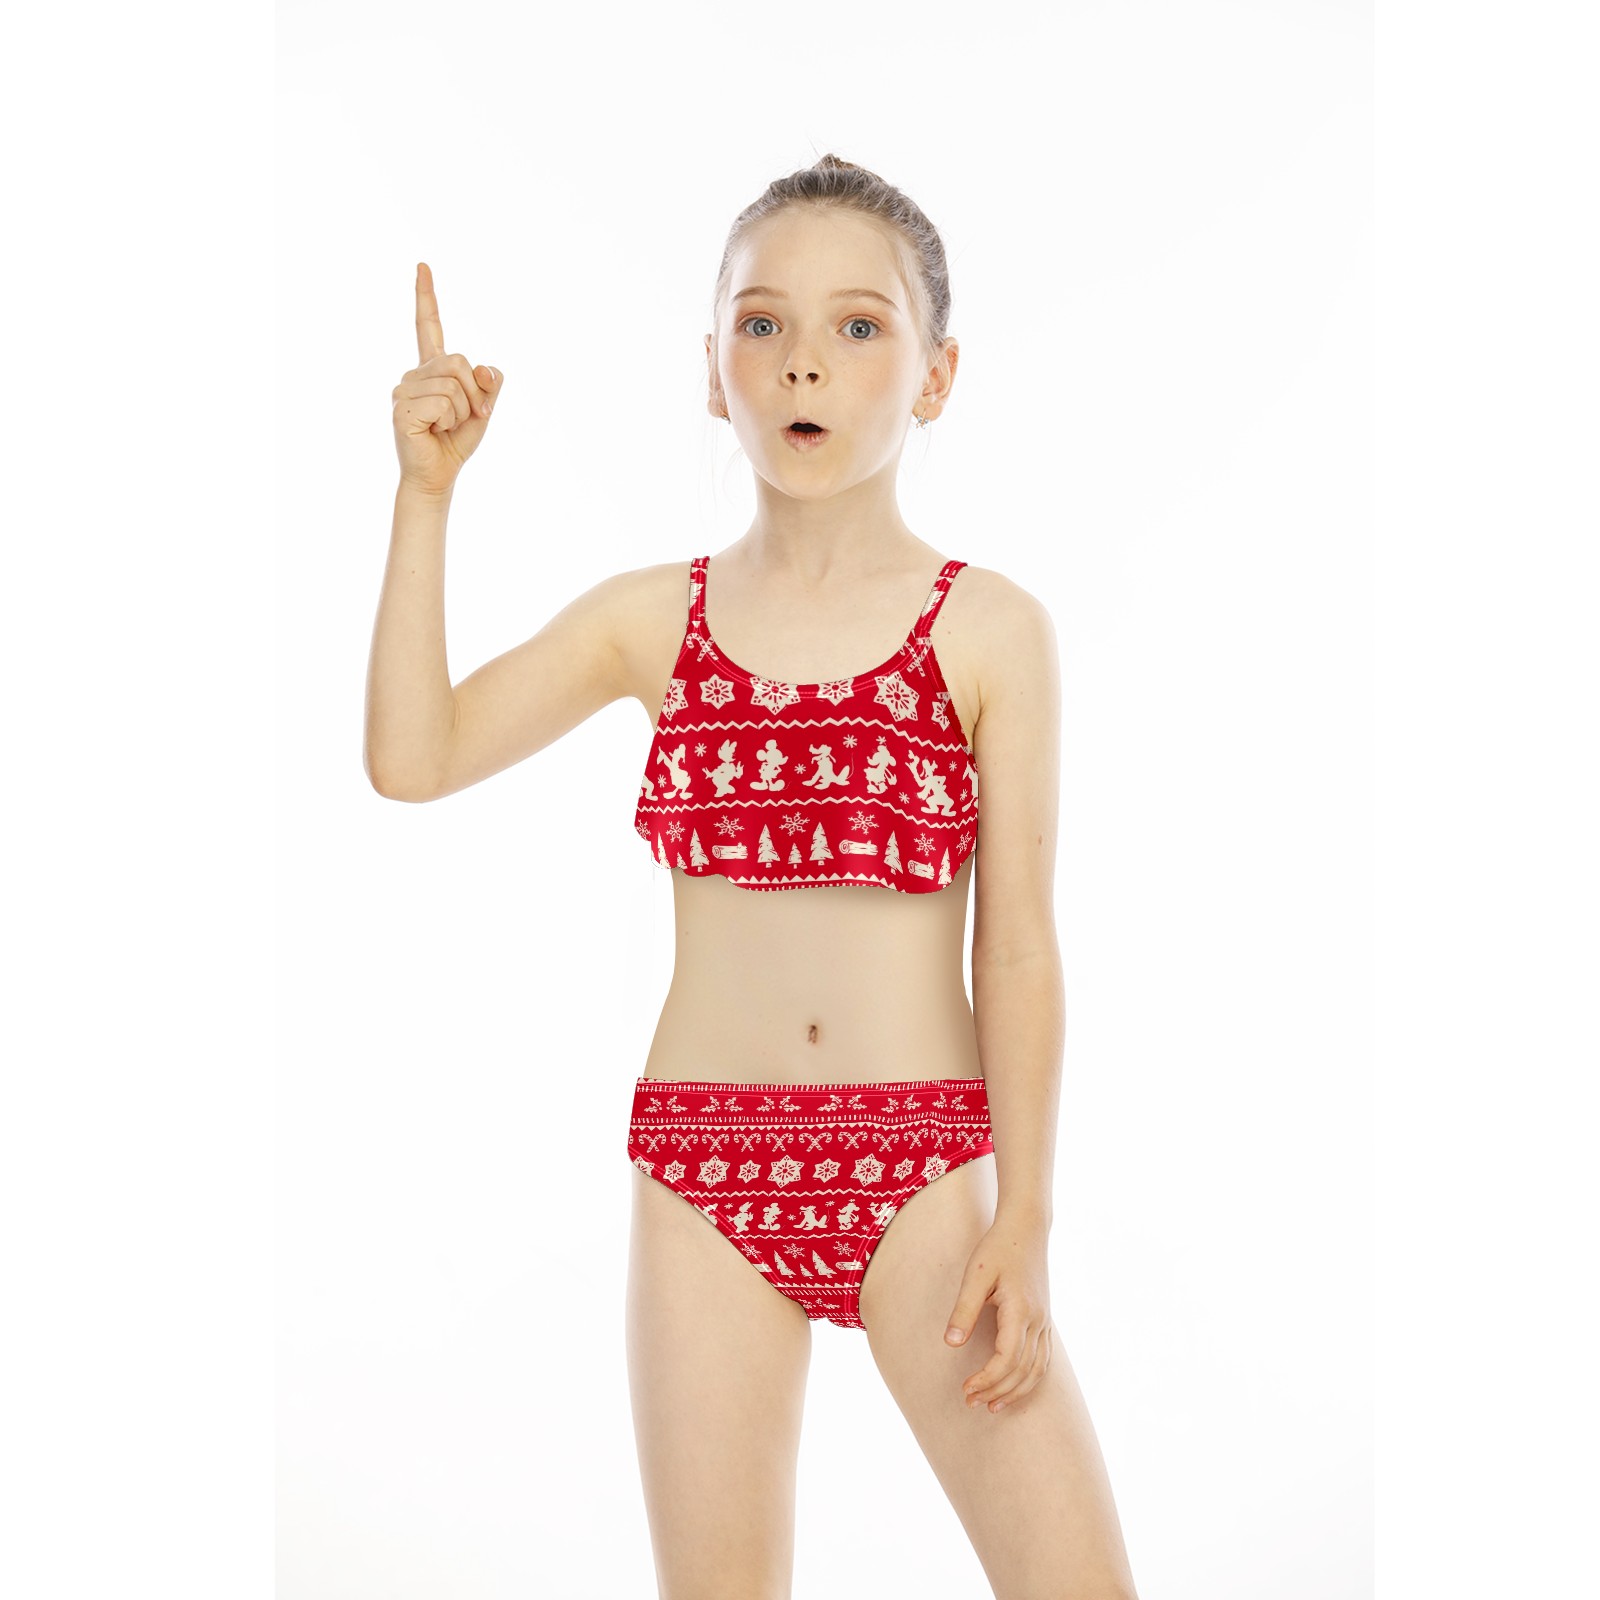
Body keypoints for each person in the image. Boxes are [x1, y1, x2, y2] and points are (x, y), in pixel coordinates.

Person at [365, 153, 1139, 1600]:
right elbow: (416, 757)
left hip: (922, 1168)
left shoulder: (991, 632)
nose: (804, 363)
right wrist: (426, 500)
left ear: (937, 374)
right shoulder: (653, 621)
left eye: (859, 326)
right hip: (704, 1170)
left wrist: (1027, 1216)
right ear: (711, 370)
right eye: (762, 323)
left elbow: (1020, 949)